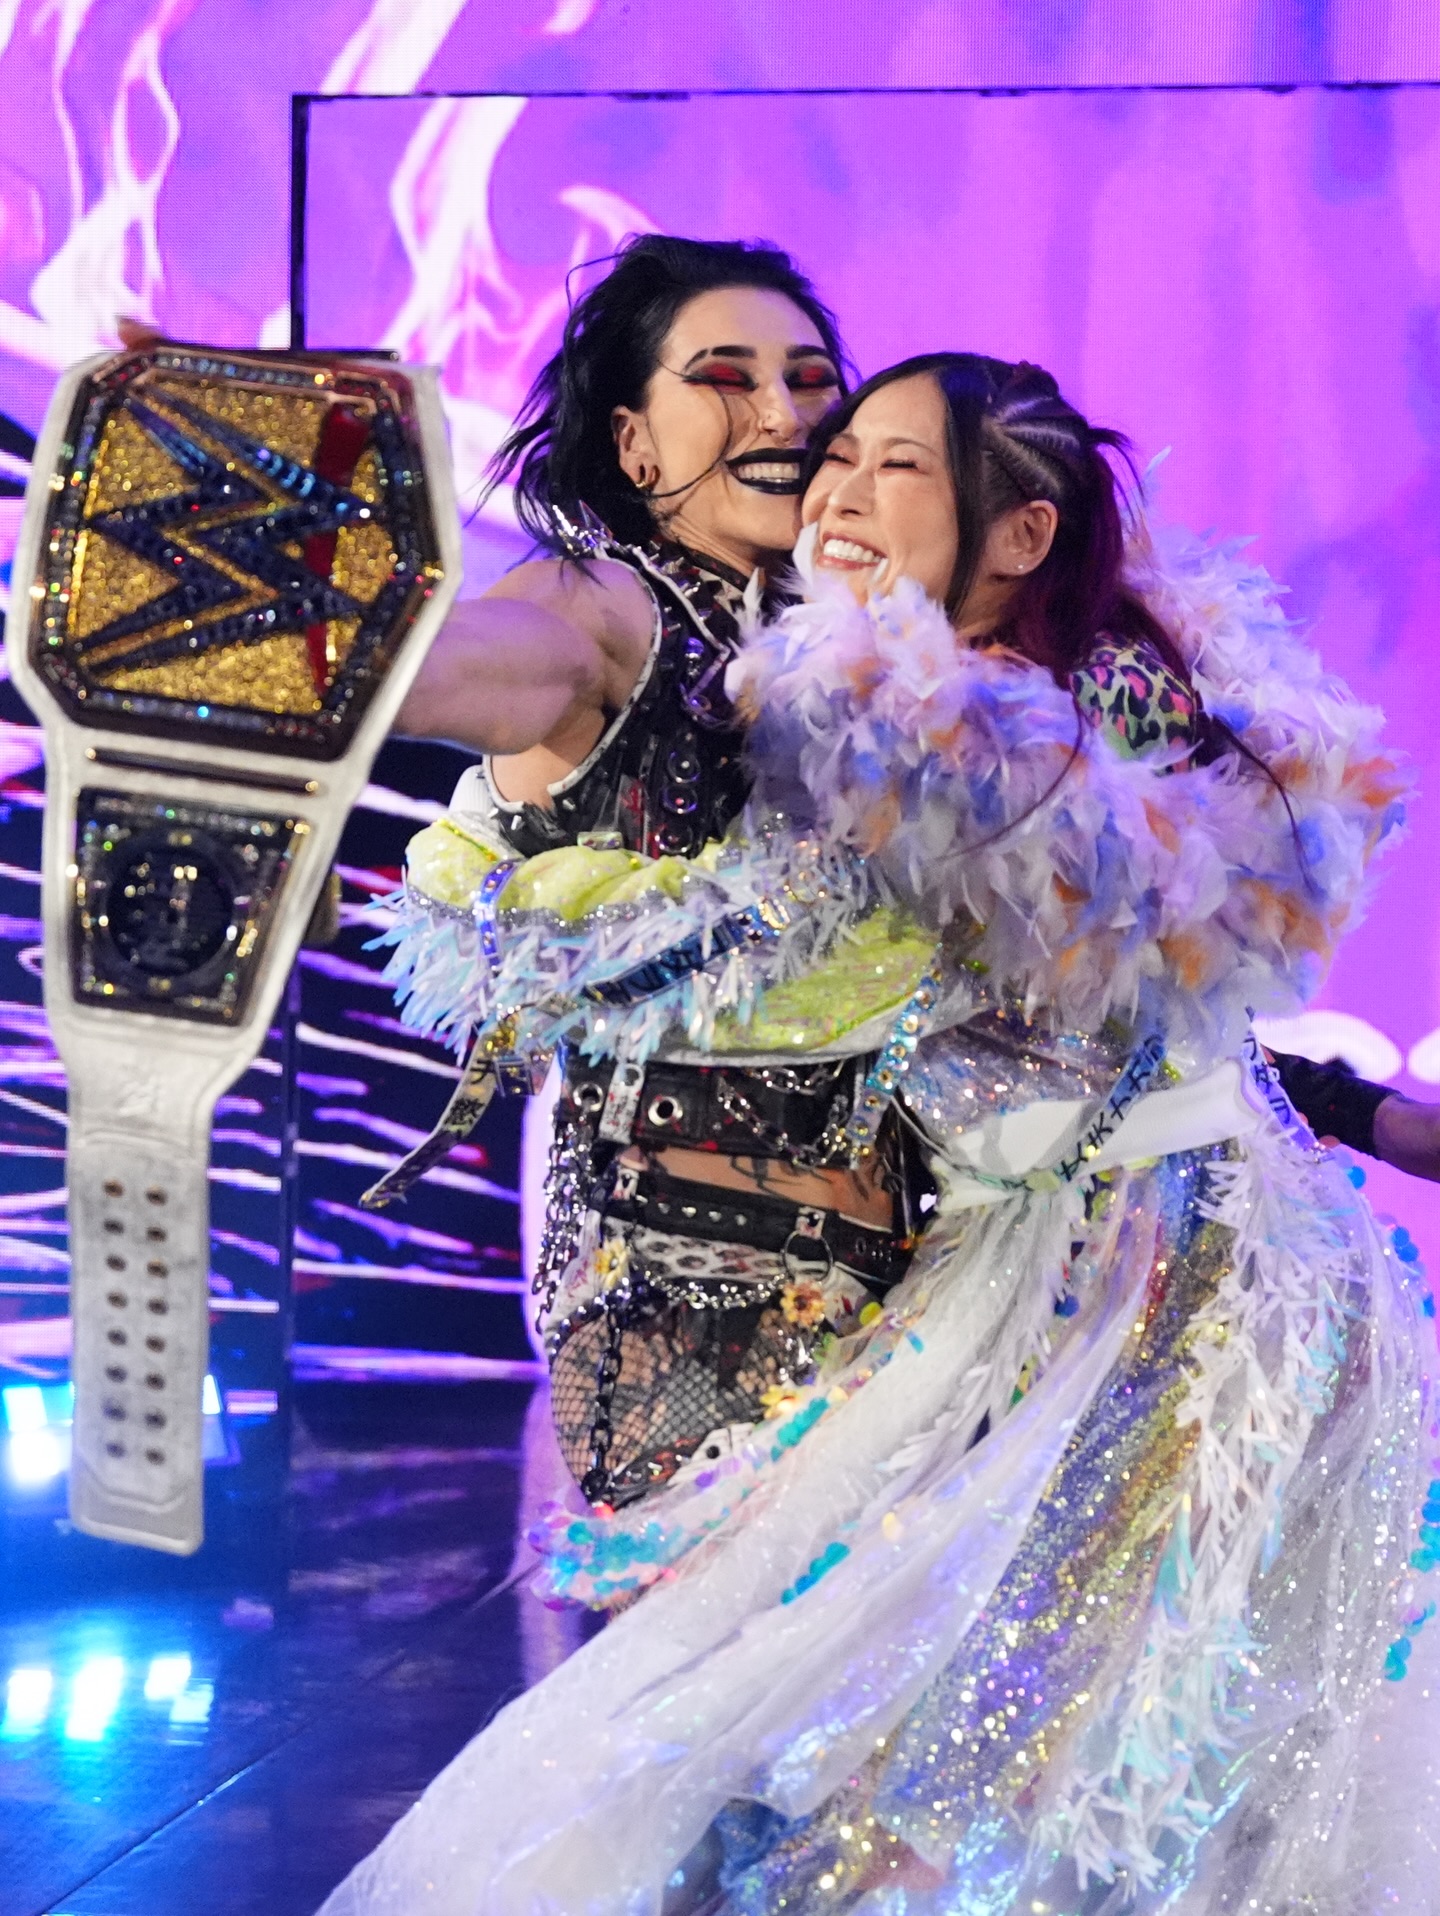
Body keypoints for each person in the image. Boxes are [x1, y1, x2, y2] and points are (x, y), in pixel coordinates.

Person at [323, 354, 1437, 1915]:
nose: (835, 488)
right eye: (835, 456)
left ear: (1021, 535)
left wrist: (1376, 1112)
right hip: (1005, 1285)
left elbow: (1166, 1017)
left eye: (892, 464)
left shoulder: (1082, 718)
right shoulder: (834, 722)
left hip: (1196, 1301)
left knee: (1078, 1748)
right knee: (877, 1714)